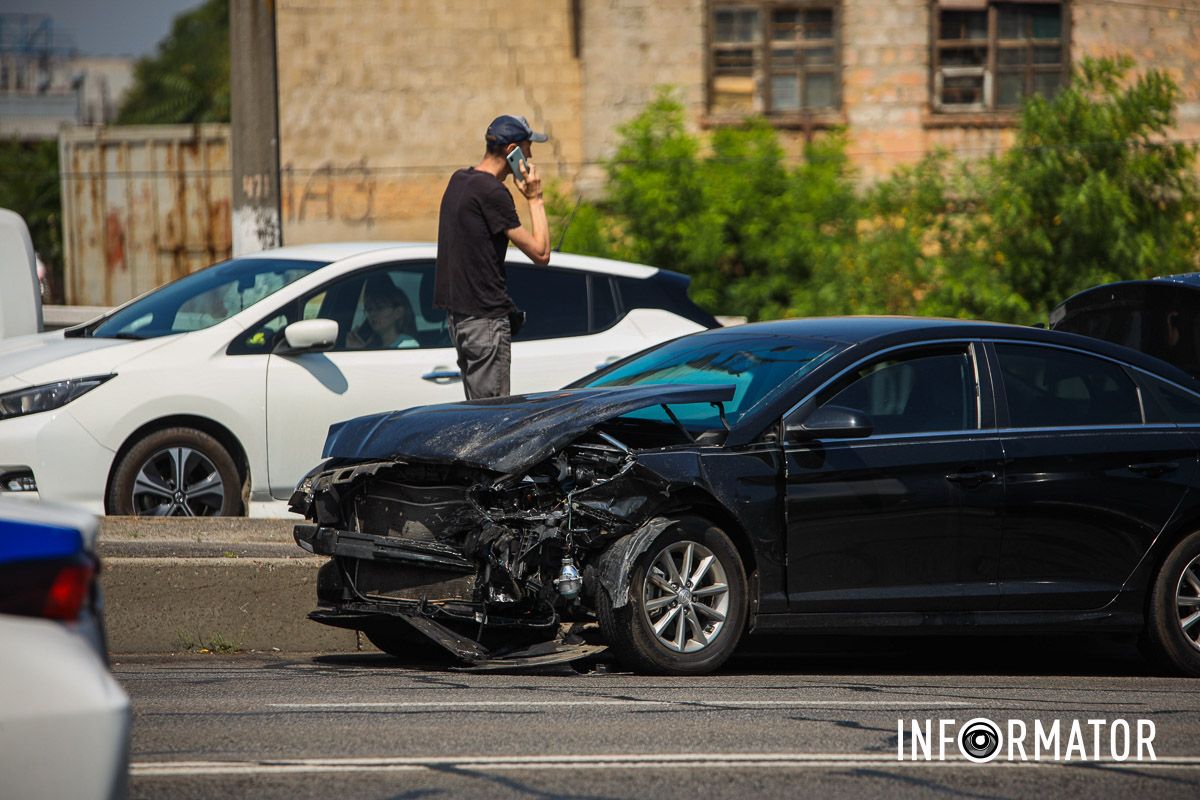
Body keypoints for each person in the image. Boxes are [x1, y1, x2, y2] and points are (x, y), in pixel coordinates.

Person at [434, 114, 551, 399]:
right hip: (485, 321)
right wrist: (535, 198)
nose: (531, 154)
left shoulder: (459, 180)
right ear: (512, 151)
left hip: (461, 320)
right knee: (494, 422)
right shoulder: (492, 192)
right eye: (527, 147)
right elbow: (541, 252)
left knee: (478, 415)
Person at [347, 279, 419, 349]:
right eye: (369, 309)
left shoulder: (407, 344)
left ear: (398, 312)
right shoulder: (373, 346)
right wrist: (357, 349)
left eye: (380, 308)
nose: (372, 313)